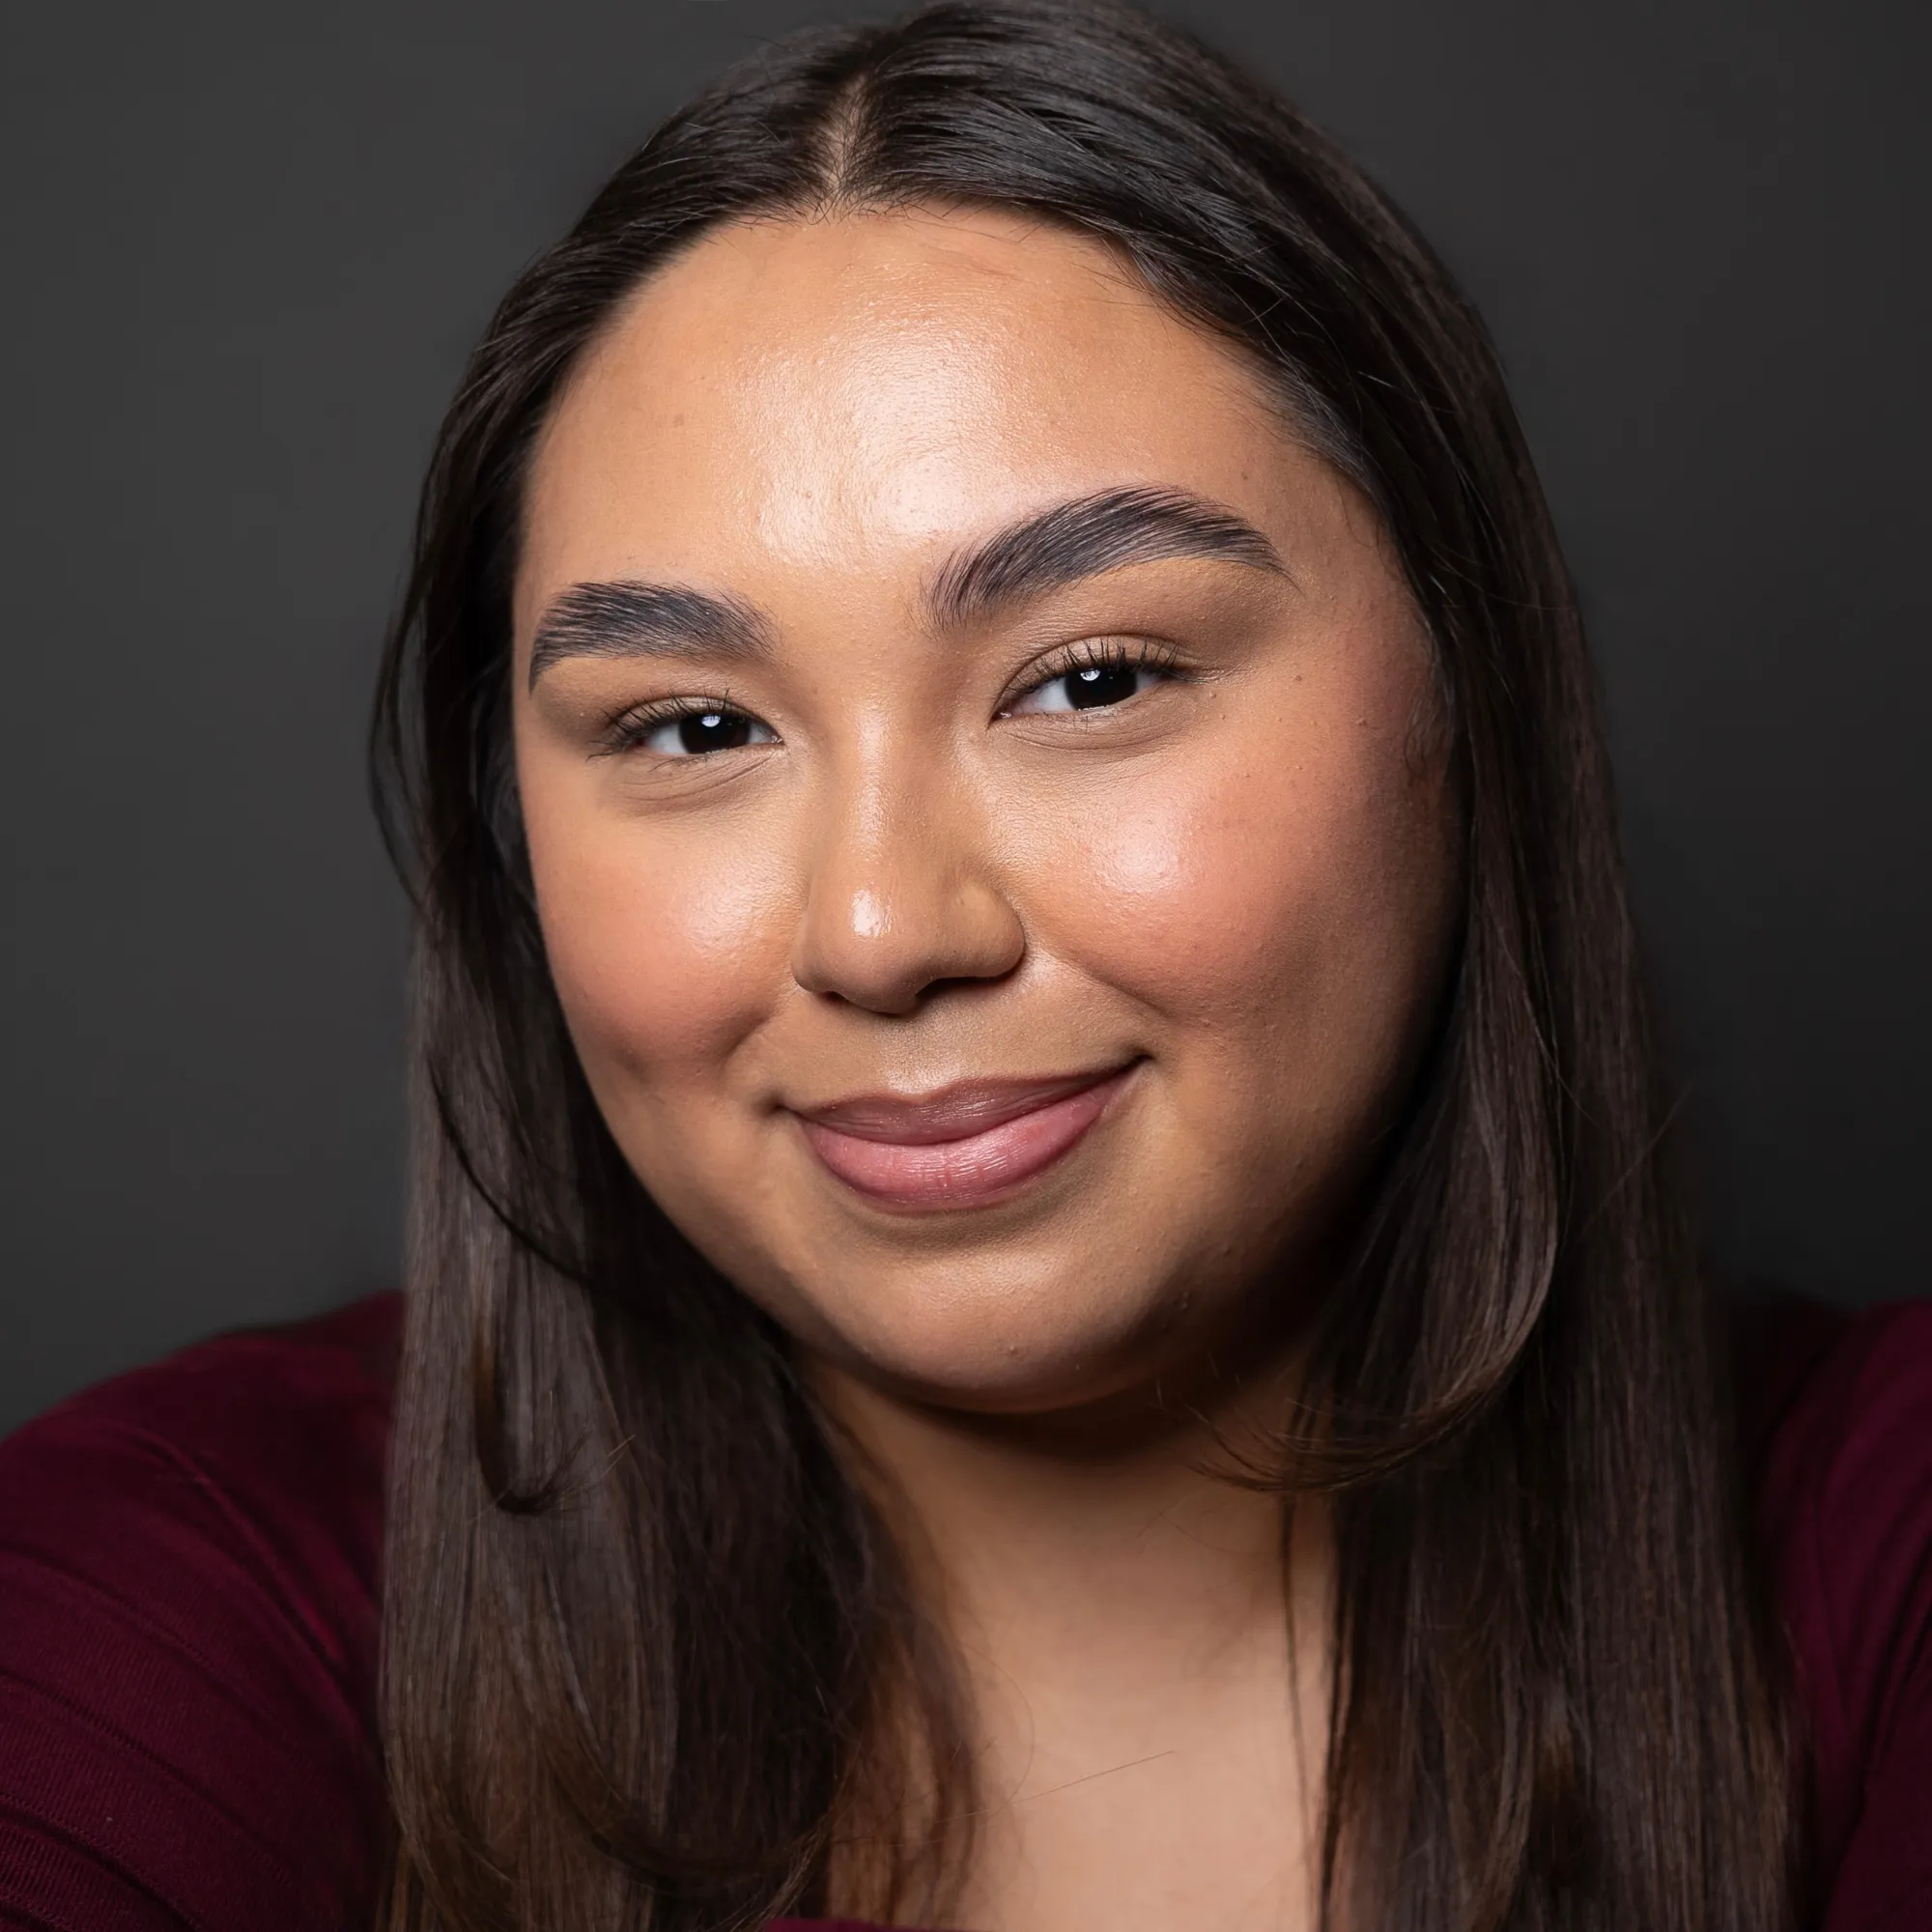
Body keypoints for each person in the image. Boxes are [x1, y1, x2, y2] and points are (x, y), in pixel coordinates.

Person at [2, 4, 1928, 1928]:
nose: (879, 930)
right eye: (690, 729)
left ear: (1462, 699)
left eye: (1089, 681)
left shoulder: (1873, 1547)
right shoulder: (161, 1602)